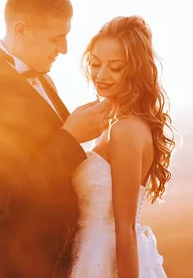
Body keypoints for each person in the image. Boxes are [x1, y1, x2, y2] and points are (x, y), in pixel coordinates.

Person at [0, 0, 110, 277]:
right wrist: (71, 137)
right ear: (21, 30)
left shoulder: (42, 77)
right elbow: (18, 197)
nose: (64, 49)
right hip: (18, 266)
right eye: (55, 39)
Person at [69, 15, 174, 278]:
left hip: (105, 260)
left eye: (115, 67)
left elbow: (125, 229)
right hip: (89, 253)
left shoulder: (125, 130)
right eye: (95, 63)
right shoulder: (109, 122)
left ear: (136, 70)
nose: (101, 75)